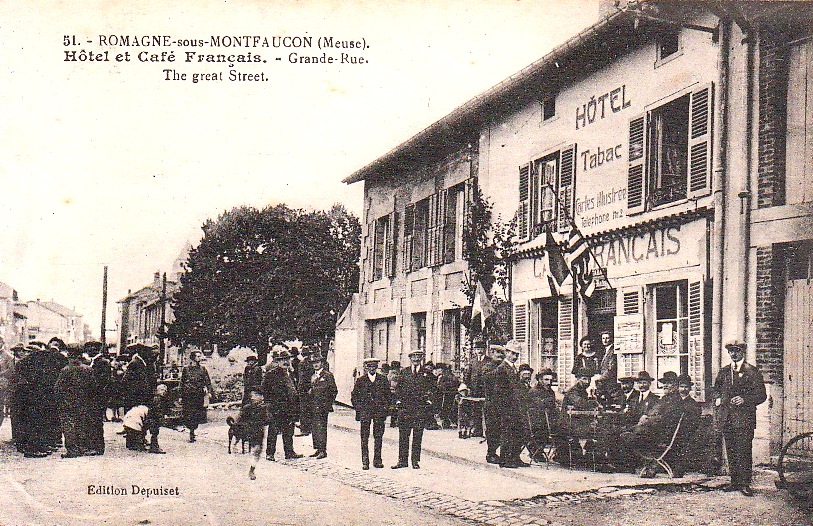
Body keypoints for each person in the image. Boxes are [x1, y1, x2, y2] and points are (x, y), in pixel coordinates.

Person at [713, 341, 767, 497]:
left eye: (736, 351)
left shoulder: (752, 371)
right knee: (731, 450)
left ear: (743, 352)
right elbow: (716, 390)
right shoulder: (724, 371)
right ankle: (734, 481)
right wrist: (718, 399)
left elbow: (761, 395)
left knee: (743, 450)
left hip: (744, 419)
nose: (733, 354)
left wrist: (745, 399)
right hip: (727, 418)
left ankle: (745, 484)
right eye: (730, 351)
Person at [392, 349, 433, 469]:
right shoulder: (404, 372)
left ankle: (415, 461)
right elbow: (398, 389)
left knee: (417, 435)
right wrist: (398, 401)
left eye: (418, 357)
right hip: (405, 409)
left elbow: (433, 389)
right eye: (413, 357)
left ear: (421, 359)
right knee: (403, 435)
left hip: (420, 409)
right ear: (410, 359)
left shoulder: (427, 373)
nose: (415, 359)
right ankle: (402, 461)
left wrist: (429, 401)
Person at [54, 347, 98, 458]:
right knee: (82, 425)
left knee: (69, 426)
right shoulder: (88, 369)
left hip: (67, 403)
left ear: (69, 356)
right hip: (84, 403)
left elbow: (57, 388)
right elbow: (93, 387)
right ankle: (82, 448)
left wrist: (60, 400)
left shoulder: (65, 370)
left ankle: (72, 450)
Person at [261, 350, 302, 461]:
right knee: (273, 430)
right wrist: (270, 403)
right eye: (283, 360)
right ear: (278, 362)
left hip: (290, 407)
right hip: (277, 407)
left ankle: (289, 452)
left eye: (287, 359)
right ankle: (270, 453)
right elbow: (264, 389)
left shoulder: (291, 373)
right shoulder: (271, 374)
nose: (286, 362)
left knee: (289, 431)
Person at [351, 358, 390, 469]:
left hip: (379, 413)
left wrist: (385, 409)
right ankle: (365, 461)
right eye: (369, 366)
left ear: (377, 367)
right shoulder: (360, 380)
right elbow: (354, 397)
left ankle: (377, 460)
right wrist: (359, 409)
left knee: (378, 436)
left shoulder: (383, 379)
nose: (372, 368)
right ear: (366, 367)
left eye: (374, 366)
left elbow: (388, 396)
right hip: (365, 413)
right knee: (364, 437)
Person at [494, 340, 528, 468]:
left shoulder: (513, 368)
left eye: (517, 355)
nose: (514, 357)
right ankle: (505, 460)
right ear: (506, 352)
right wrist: (504, 409)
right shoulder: (502, 369)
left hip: (515, 407)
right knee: (507, 433)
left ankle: (515, 457)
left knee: (517, 433)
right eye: (512, 354)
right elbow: (499, 392)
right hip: (507, 408)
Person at [308, 354, 337, 459]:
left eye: (317, 362)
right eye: (314, 363)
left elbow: (333, 391)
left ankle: (323, 450)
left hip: (322, 407)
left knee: (321, 428)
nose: (315, 364)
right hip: (313, 406)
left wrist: (328, 403)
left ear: (322, 363)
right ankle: (317, 448)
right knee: (314, 428)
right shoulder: (312, 376)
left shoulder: (327, 376)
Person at [181, 350, 213, 443]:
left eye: (200, 356)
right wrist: (181, 395)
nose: (200, 358)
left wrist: (209, 392)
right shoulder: (186, 369)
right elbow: (182, 383)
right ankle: (191, 431)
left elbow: (208, 381)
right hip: (188, 395)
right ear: (193, 358)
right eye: (198, 356)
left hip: (198, 395)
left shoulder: (202, 369)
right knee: (188, 414)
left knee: (196, 414)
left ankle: (193, 431)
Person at [236, 389, 267, 480]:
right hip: (248, 431)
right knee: (255, 450)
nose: (253, 397)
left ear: (261, 397)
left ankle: (252, 468)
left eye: (255, 395)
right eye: (252, 395)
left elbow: (268, 420)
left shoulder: (264, 408)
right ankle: (250, 469)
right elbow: (239, 420)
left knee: (257, 450)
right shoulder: (247, 408)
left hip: (259, 432)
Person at [527, 368, 557, 462]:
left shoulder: (550, 391)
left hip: (548, 420)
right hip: (537, 422)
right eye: (546, 380)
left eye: (551, 380)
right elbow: (540, 406)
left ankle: (561, 454)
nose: (549, 382)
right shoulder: (534, 392)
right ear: (540, 380)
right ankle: (535, 450)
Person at [482, 344, 505, 464]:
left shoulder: (503, 367)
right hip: (492, 404)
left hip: (504, 404)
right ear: (492, 353)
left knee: (502, 429)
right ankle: (491, 453)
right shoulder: (488, 367)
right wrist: (501, 368)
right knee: (493, 429)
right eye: (497, 353)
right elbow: (488, 380)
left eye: (502, 354)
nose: (500, 356)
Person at [146, 383, 172, 454]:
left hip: (154, 418)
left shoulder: (160, 398)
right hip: (153, 418)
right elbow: (158, 410)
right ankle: (154, 447)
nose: (164, 391)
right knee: (154, 432)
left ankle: (154, 446)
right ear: (158, 391)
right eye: (162, 390)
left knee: (155, 432)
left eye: (165, 390)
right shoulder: (157, 399)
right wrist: (162, 417)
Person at [595, 331, 619, 406]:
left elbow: (611, 368)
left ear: (611, 339)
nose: (605, 340)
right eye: (603, 338)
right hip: (603, 382)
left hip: (609, 382)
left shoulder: (613, 351)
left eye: (607, 338)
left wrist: (600, 378)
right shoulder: (604, 351)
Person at [296, 347, 315, 437]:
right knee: (309, 408)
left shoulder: (302, 363)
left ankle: (304, 429)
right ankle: (308, 427)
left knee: (303, 409)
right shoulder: (311, 363)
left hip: (303, 389)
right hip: (310, 388)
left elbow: (302, 378)